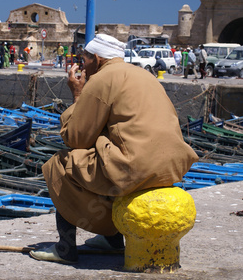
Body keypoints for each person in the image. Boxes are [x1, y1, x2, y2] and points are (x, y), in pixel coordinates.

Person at [29, 34, 198, 264]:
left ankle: (65, 248)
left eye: (84, 61)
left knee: (60, 163)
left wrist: (77, 95)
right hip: (172, 166)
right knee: (107, 156)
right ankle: (113, 240)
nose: (82, 67)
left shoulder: (101, 79)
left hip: (136, 167)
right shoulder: (144, 75)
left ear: (97, 59)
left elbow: (75, 138)